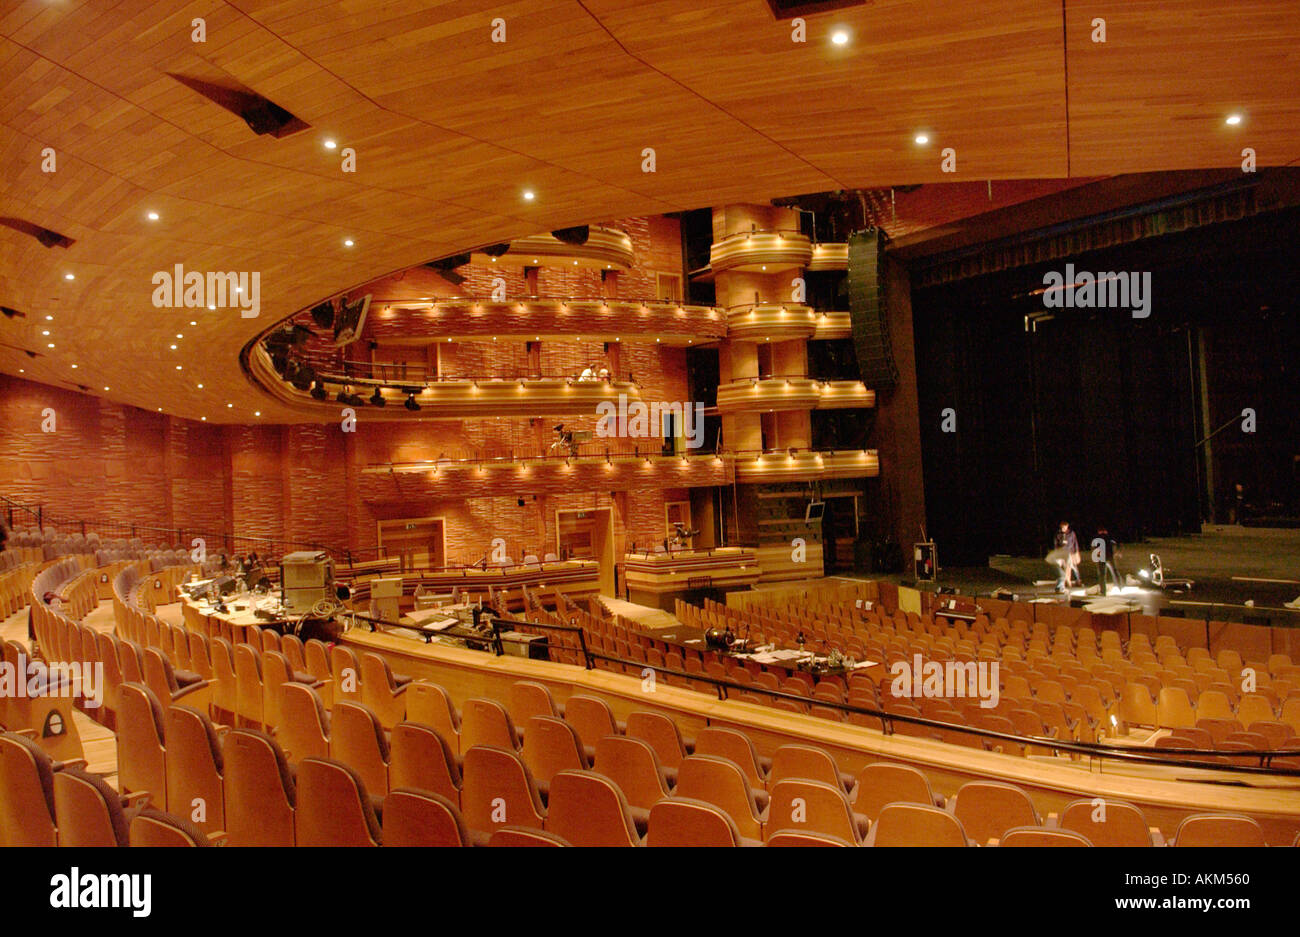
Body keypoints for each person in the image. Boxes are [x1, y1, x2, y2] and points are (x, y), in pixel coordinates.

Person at [1053, 521, 1080, 593]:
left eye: (1064, 527)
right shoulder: (1058, 534)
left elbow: (1075, 542)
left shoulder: (1071, 533)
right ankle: (1061, 585)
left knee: (1071, 567)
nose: (1063, 529)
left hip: (1069, 552)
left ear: (1067, 527)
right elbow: (1055, 543)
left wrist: (1076, 552)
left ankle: (1075, 580)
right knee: (1060, 568)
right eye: (1062, 527)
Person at [1096, 526, 1121, 594]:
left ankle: (1103, 591)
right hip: (1110, 556)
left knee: (1102, 574)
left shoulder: (1098, 538)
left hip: (1102, 557)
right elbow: (1116, 544)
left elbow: (1096, 548)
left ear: (1099, 531)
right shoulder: (1109, 537)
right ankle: (1120, 586)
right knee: (1115, 571)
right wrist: (1116, 552)